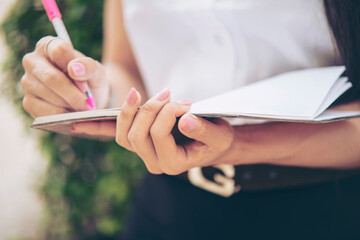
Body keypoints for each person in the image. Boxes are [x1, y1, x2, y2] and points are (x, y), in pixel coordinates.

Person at [21, 0, 360, 239]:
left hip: (324, 205)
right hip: (171, 205)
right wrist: (92, 95)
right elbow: (125, 67)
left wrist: (237, 145)